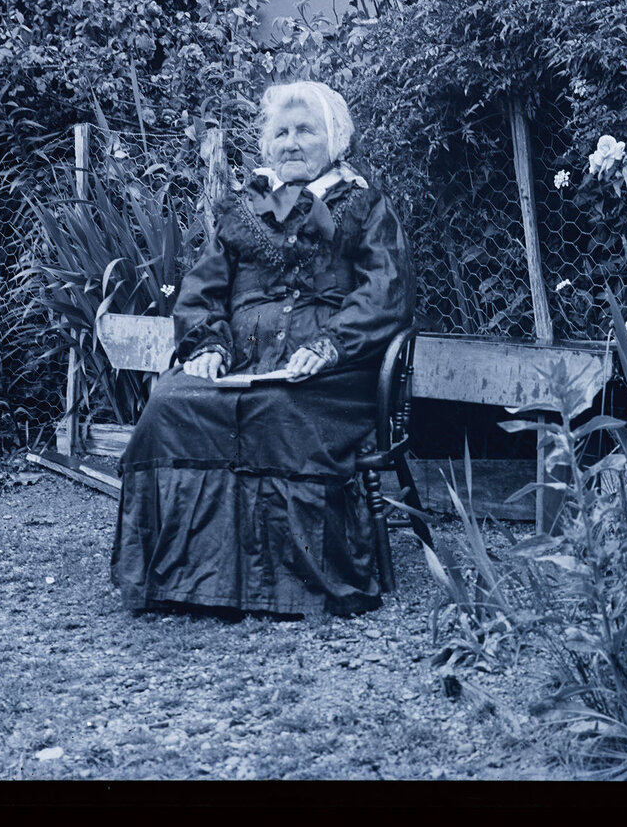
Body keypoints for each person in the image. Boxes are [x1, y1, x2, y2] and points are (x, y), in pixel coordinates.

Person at [111, 81, 413, 617]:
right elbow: (202, 290)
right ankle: (181, 584)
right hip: (244, 364)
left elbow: (384, 293)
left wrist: (331, 344)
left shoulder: (364, 204)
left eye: (305, 130)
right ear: (266, 144)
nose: (292, 142)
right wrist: (205, 343)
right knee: (170, 404)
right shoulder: (240, 208)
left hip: (329, 374)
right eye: (281, 132)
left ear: (335, 139)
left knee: (281, 409)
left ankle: (288, 588)